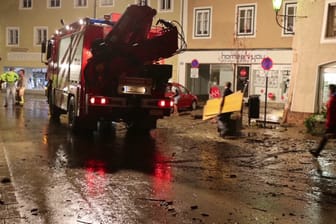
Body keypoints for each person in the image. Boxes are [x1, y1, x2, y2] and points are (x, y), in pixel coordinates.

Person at [310, 84, 336, 157]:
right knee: (325, 137)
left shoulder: (333, 99)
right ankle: (317, 152)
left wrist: (329, 122)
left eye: (329, 90)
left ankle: (317, 152)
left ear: (331, 90)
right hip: (331, 121)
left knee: (326, 137)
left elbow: (331, 112)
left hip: (332, 122)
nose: (328, 92)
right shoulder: (333, 98)